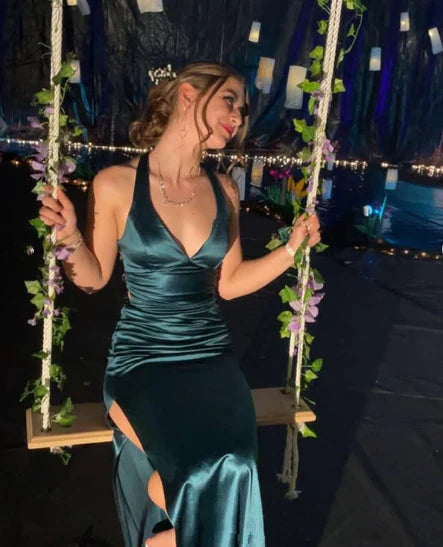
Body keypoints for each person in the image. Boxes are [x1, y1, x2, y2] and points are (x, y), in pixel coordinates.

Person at [39, 61, 321, 547]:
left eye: (243, 110)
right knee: (197, 472)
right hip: (143, 361)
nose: (238, 117)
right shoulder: (115, 184)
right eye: (229, 100)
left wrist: (292, 249)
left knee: (236, 466)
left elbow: (230, 283)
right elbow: (93, 278)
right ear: (188, 94)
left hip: (211, 359)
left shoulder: (225, 190)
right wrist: (68, 237)